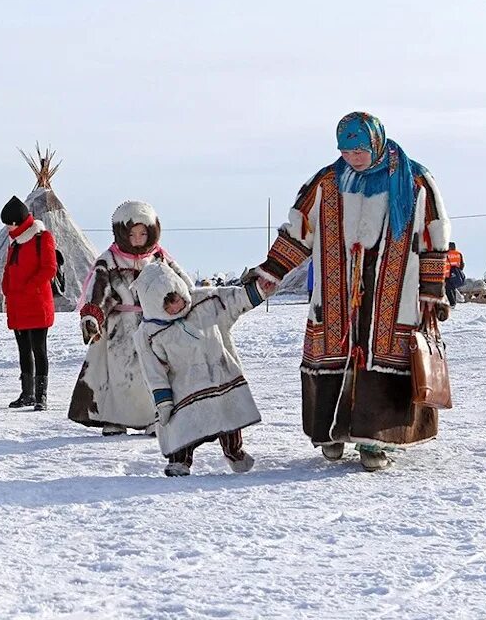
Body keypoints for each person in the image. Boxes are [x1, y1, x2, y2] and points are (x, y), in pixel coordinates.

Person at [250, 112, 452, 471]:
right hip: (335, 290)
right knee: (332, 351)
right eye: (345, 150)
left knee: (385, 355)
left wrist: (432, 291)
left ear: (376, 142)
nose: (353, 157)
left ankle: (374, 442)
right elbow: (299, 232)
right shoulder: (327, 182)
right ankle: (331, 434)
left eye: (359, 149)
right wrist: (272, 272)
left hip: (394, 293)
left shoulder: (414, 181)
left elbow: (433, 237)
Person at [132, 261, 273, 476]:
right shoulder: (148, 334)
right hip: (183, 389)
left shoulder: (205, 301)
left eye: (177, 297)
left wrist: (259, 291)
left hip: (219, 376)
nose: (176, 306)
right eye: (167, 304)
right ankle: (180, 461)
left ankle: (234, 452)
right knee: (181, 427)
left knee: (229, 415)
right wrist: (163, 402)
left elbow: (234, 300)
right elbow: (153, 371)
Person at [68, 201, 192, 436]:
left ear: (152, 232)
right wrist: (93, 316)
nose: (137, 238)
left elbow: (183, 286)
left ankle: (153, 418)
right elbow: (99, 289)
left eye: (143, 233)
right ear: (122, 233)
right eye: (132, 233)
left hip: (154, 326)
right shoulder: (110, 260)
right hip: (120, 327)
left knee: (153, 372)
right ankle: (115, 418)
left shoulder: (160, 259)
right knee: (120, 374)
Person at [0, 195, 57, 411]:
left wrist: (29, 286)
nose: (7, 229)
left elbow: (49, 268)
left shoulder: (43, 238)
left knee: (39, 349)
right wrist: (6, 287)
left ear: (17, 223)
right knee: (23, 350)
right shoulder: (15, 242)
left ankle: (41, 394)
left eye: (9, 224)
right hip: (17, 303)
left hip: (36, 303)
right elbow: (8, 268)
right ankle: (27, 393)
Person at [444, 241, 465, 307]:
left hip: (447, 274)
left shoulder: (446, 254)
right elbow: (462, 265)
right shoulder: (459, 254)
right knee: (453, 288)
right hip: (455, 274)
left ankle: (452, 303)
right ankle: (453, 302)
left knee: (448, 289)